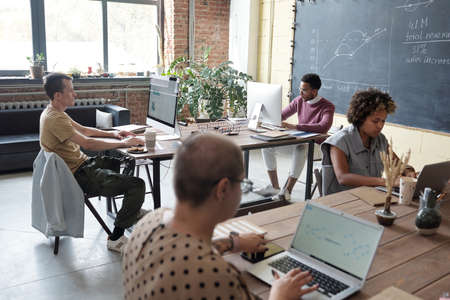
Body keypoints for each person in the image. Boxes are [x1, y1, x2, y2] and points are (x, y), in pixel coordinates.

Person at [123, 133, 318, 300]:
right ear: (223, 189)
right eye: (243, 183)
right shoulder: (215, 275)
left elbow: (184, 249)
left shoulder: (149, 222)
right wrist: (279, 296)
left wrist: (231, 243)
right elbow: (197, 265)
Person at [40, 72, 145, 252]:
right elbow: (87, 143)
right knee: (137, 185)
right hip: (79, 176)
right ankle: (116, 237)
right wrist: (123, 143)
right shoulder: (54, 119)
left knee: (124, 162)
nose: (75, 94)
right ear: (58, 95)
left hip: (84, 165)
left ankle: (129, 211)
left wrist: (113, 133)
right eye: (71, 90)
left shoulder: (55, 112)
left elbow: (85, 131)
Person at [255, 73, 335, 201]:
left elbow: (323, 127)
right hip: (299, 139)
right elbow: (281, 115)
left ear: (314, 91)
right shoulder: (299, 100)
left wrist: (295, 127)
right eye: (300, 89)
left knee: (300, 147)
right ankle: (275, 187)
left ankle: (287, 191)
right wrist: (266, 117)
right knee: (267, 144)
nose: (300, 93)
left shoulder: (327, 106)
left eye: (304, 90)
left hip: (316, 145)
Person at [321, 88, 400, 195]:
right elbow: (343, 177)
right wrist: (384, 182)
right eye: (375, 121)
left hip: (370, 196)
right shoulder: (340, 141)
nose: (380, 126)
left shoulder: (380, 139)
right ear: (360, 117)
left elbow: (397, 164)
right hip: (343, 201)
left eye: (383, 121)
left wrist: (408, 171)